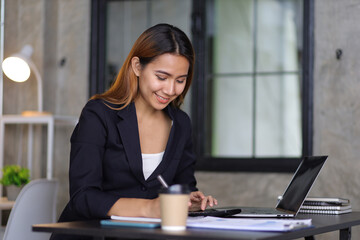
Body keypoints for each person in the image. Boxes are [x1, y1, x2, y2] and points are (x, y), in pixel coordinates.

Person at [51, 23, 217, 240]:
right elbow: (83, 197)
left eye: (180, 80)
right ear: (137, 67)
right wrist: (150, 208)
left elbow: (181, 186)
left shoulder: (181, 123)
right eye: (161, 77)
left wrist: (187, 201)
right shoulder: (99, 115)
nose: (170, 90)